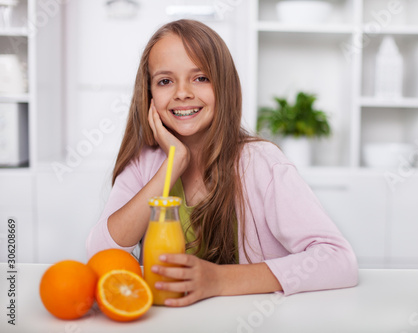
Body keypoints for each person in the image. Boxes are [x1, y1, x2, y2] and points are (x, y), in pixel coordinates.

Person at [86, 19, 358, 307]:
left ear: (224, 86)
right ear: (149, 95)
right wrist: (173, 163)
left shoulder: (261, 163)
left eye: (200, 77)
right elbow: (102, 254)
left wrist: (218, 280)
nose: (182, 93)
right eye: (165, 81)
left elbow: (339, 260)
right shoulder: (146, 165)